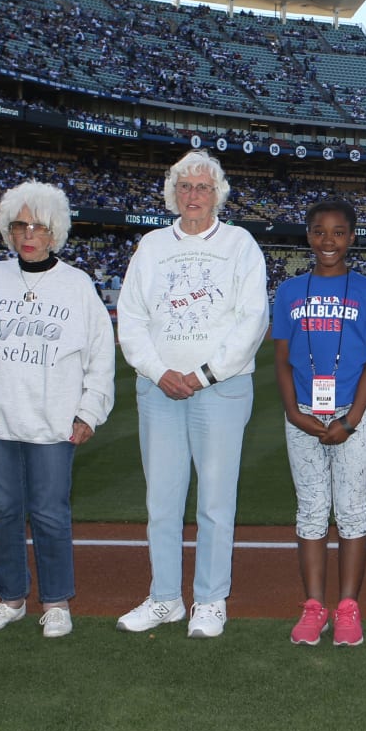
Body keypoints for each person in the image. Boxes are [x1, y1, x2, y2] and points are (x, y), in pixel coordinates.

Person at [0, 181, 115, 639]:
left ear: (55, 231)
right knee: (0, 510)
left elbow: (101, 356)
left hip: (52, 421)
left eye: (37, 225)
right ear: (8, 230)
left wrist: (89, 412)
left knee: (49, 513)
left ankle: (56, 602)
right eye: (19, 225)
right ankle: (11, 598)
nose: (28, 234)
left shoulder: (77, 285)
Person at [115, 151, 269, 639]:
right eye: (185, 187)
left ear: (217, 193)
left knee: (215, 502)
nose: (194, 196)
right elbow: (132, 317)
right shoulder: (152, 246)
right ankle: (164, 598)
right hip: (158, 388)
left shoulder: (240, 244)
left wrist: (203, 375)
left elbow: (252, 320)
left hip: (220, 389)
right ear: (173, 193)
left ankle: (209, 599)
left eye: (203, 187)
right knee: (161, 500)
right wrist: (159, 371)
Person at [271, 198, 366, 646]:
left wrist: (353, 418)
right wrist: (294, 412)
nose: (328, 241)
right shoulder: (288, 292)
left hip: (351, 416)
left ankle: (348, 607)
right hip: (302, 415)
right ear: (308, 236)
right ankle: (314, 605)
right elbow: (281, 359)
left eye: (339, 232)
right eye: (319, 231)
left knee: (352, 510)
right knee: (312, 511)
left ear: (352, 238)